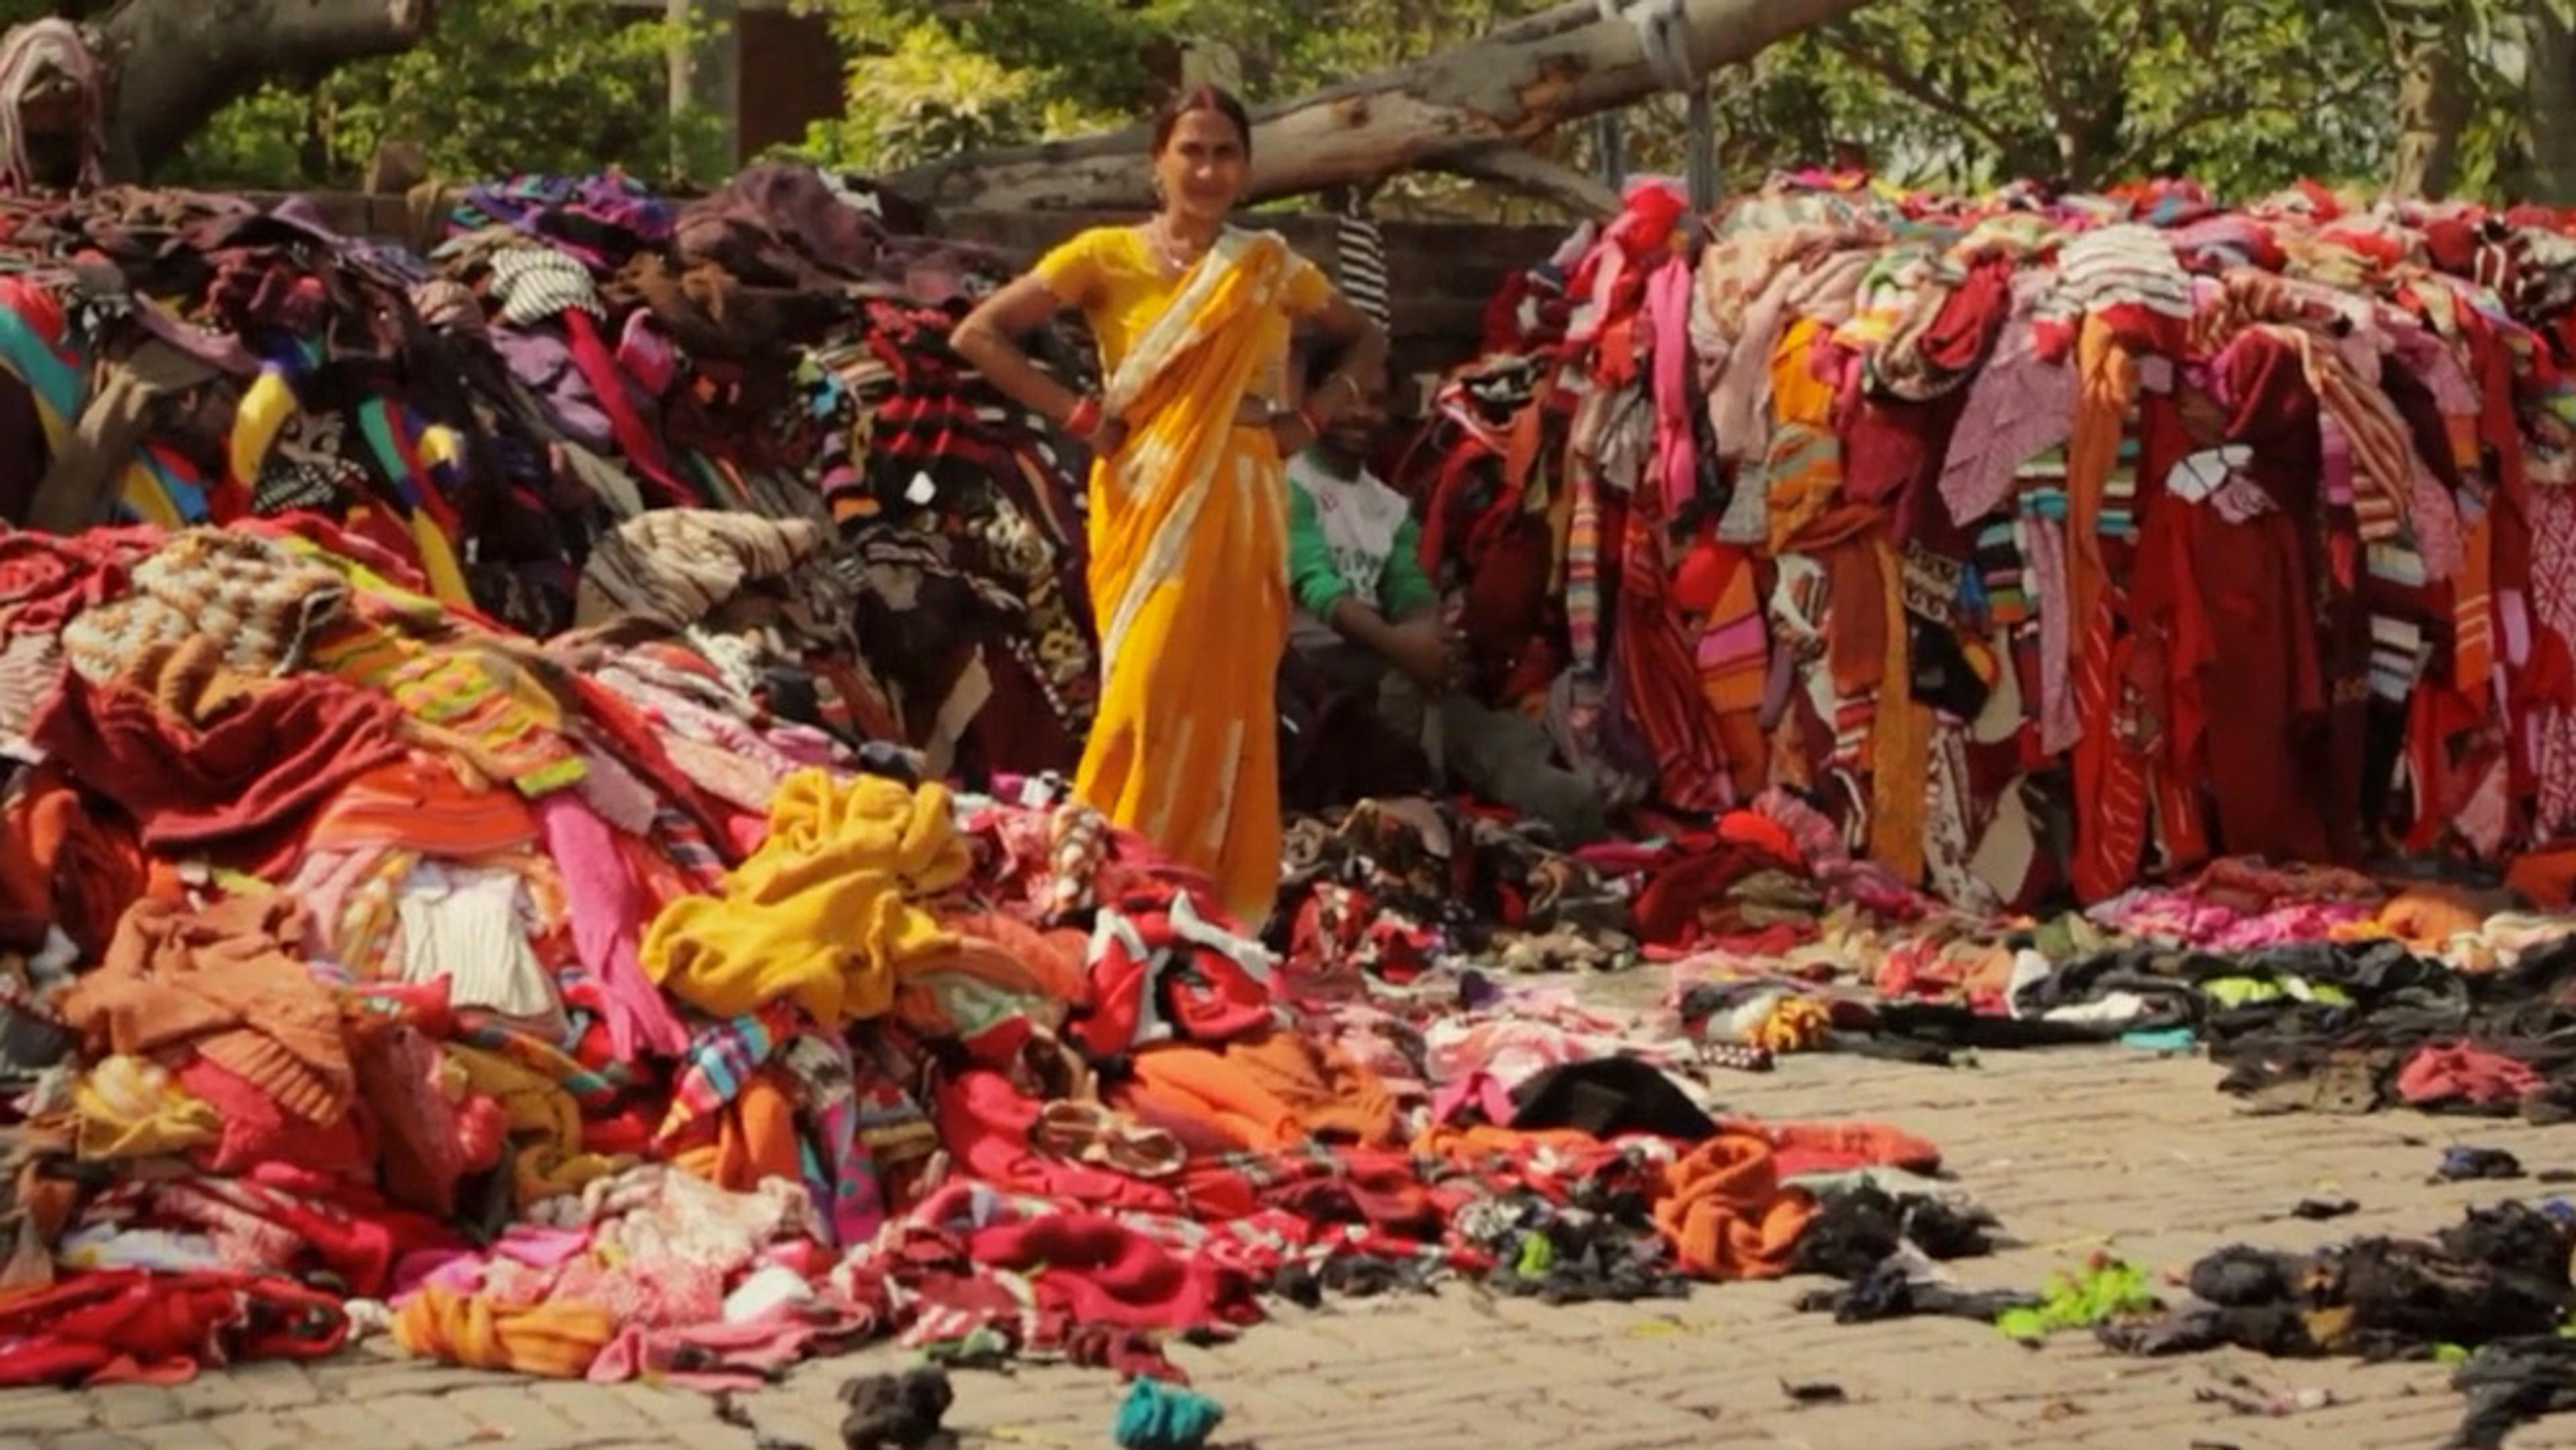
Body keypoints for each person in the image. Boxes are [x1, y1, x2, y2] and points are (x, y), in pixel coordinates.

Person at [950, 85, 1387, 924]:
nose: (1209, 168)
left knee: (1229, 699)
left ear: (1247, 168)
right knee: (1143, 691)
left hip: (1248, 497)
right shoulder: (1104, 254)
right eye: (1192, 150)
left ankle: (1212, 896)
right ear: (1158, 161)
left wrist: (1309, 419)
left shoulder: (1268, 266)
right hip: (1148, 497)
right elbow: (978, 333)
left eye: (1226, 153)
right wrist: (1080, 415)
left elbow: (1366, 338)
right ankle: (1115, 870)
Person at [1281, 364, 1609, 846]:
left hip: (1378, 655)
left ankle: (1563, 807)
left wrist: (1429, 639)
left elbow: (1409, 588)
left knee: (1486, 727)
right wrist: (1405, 648)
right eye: (1346, 401)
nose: (1359, 415)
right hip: (1308, 657)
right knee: (1406, 686)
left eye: (1373, 402)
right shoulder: (1292, 478)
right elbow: (1317, 586)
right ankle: (1415, 798)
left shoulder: (1386, 505)